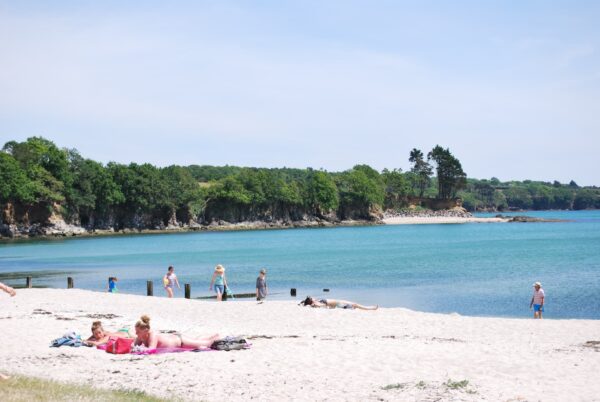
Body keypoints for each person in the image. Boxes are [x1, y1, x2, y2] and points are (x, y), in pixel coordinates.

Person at [133, 315, 219, 349]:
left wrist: (139, 349)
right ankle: (212, 336)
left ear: (146, 330)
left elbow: (151, 349)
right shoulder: (141, 337)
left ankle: (216, 338)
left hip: (180, 342)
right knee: (197, 341)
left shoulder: (153, 335)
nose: (136, 333)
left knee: (206, 344)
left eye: (138, 331)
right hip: (176, 339)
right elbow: (134, 346)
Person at [300, 296, 378, 311]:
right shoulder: (316, 303)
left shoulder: (316, 301)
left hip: (339, 302)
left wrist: (303, 302)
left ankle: (370, 308)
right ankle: (371, 308)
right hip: (339, 304)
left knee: (355, 305)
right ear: (311, 301)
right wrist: (315, 305)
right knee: (355, 305)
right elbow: (323, 306)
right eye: (311, 298)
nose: (312, 297)